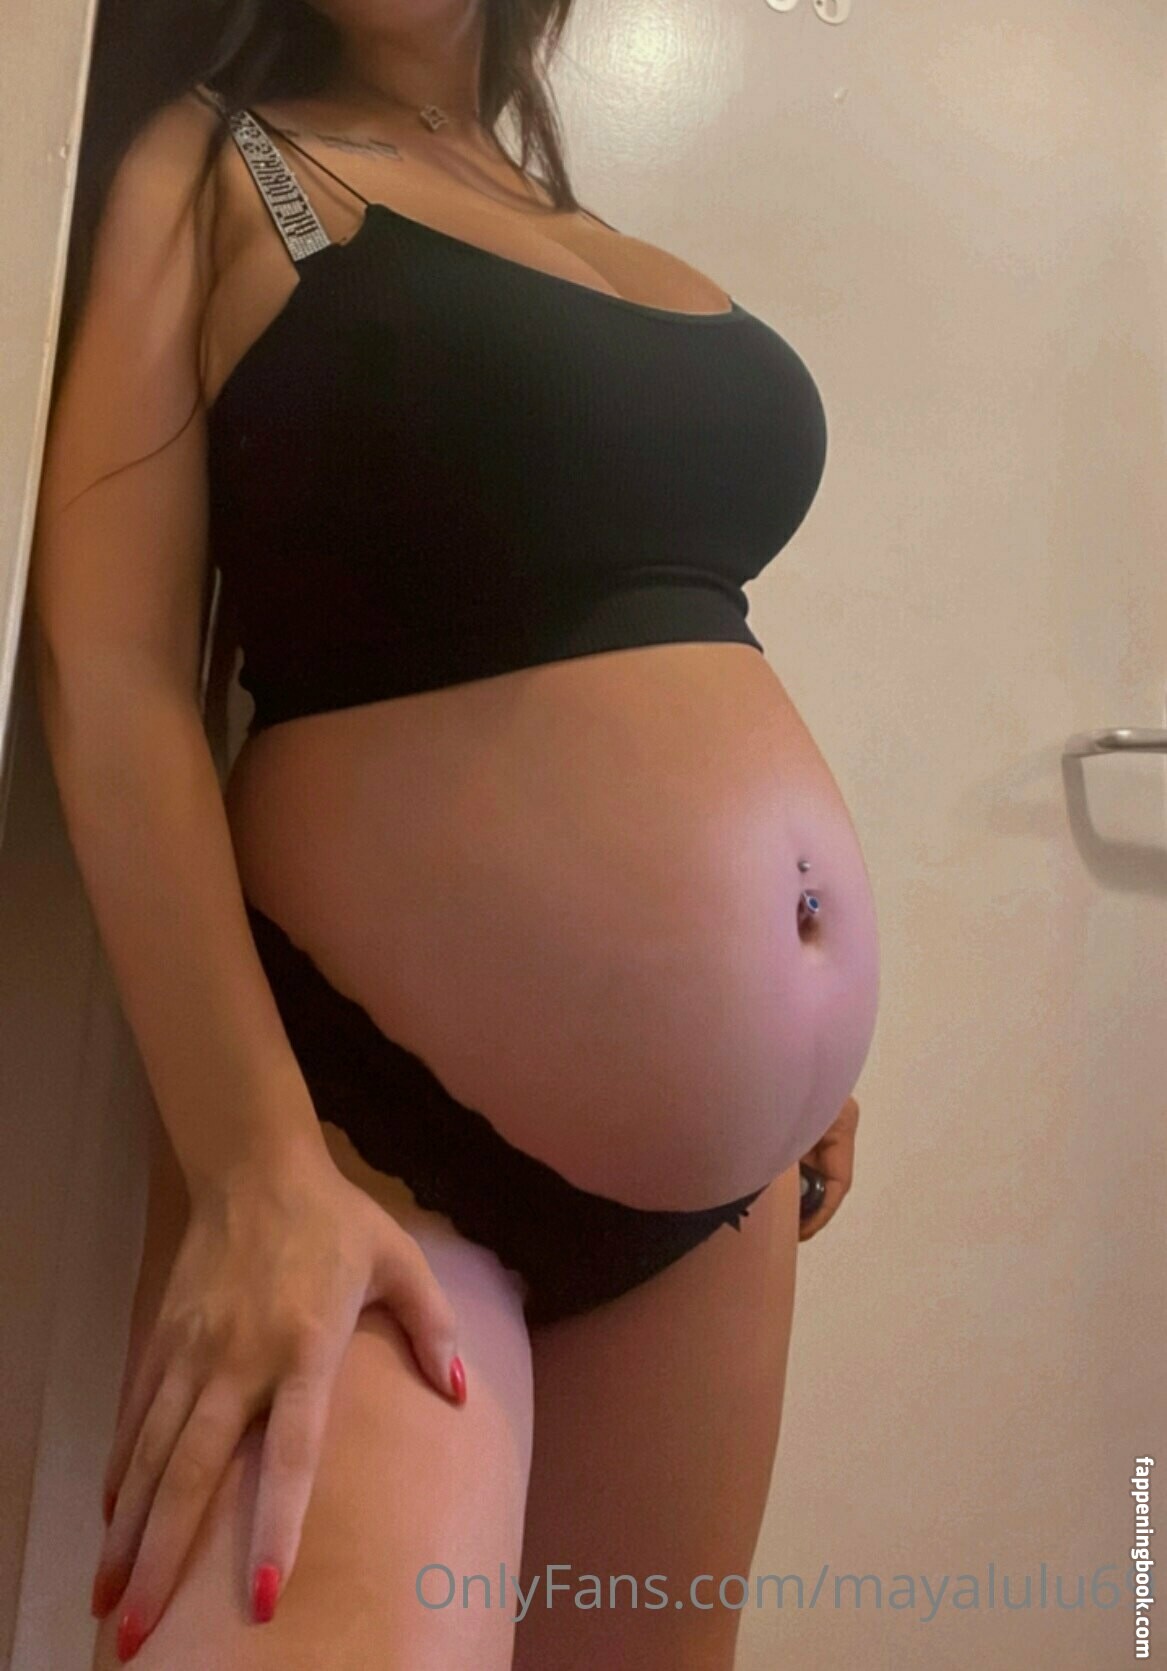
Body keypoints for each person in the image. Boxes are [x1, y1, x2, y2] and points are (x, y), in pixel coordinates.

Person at [29, 1, 880, 1664]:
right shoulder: (219, 163)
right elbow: (109, 665)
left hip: (723, 1201)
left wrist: (782, 1043)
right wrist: (251, 1165)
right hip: (363, 1140)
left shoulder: (572, 221)